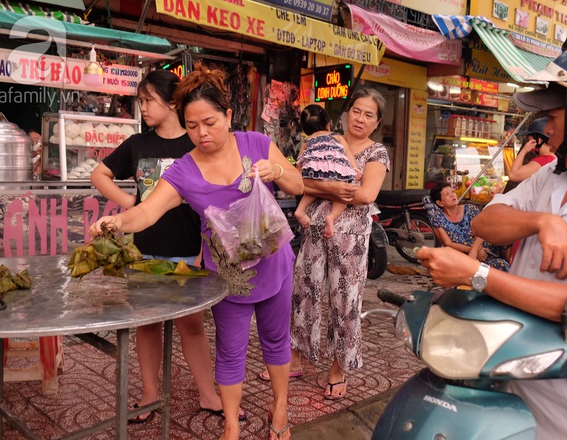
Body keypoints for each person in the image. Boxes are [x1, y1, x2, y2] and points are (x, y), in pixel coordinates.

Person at [416, 42, 567, 439]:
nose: (546, 129)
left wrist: (476, 272)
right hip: (509, 389)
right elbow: (486, 221)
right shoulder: (553, 174)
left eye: (553, 116)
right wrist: (540, 221)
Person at [89, 63, 303, 440]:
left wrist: (276, 172)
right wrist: (117, 223)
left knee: (276, 339)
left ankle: (280, 408)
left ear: (228, 115)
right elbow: (147, 211)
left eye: (210, 122)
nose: (201, 133)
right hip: (228, 275)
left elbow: (298, 183)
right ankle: (232, 426)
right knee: (231, 350)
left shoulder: (256, 143)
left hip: (275, 263)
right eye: (192, 126)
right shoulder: (184, 170)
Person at [90, 70, 240, 424]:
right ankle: (149, 394)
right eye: (140, 101)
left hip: (188, 250)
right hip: (144, 251)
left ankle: (208, 393)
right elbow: (99, 174)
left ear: (173, 102)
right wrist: (129, 203)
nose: (142, 108)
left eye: (147, 100)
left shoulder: (194, 145)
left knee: (191, 326)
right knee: (146, 324)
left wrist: (206, 248)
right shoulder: (138, 145)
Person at [263, 88, 389, 400]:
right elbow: (299, 179)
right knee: (303, 293)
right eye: (356, 111)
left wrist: (322, 185)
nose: (360, 118)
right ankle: (295, 359)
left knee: (344, 301)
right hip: (314, 231)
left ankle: (338, 368)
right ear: (346, 114)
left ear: (377, 122)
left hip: (352, 239)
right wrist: (334, 185)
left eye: (368, 114)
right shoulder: (325, 140)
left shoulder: (377, 153)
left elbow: (366, 194)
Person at [295, 104, 360, 237]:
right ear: (328, 123)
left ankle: (300, 210)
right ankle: (331, 217)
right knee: (343, 195)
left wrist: (299, 174)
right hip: (336, 173)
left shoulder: (307, 141)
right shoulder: (337, 137)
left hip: (315, 173)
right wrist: (355, 169)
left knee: (313, 190)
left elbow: (300, 160)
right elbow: (348, 152)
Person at [427, 181, 509, 271]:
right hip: (462, 256)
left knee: (507, 236)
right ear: (440, 203)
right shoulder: (437, 217)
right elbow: (448, 243)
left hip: (484, 248)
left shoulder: (470, 209)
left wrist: (475, 249)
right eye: (447, 194)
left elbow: (482, 231)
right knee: (498, 266)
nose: (452, 195)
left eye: (453, 192)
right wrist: (474, 251)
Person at [505, 117, 555, 189]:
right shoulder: (552, 158)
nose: (528, 141)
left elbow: (513, 175)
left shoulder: (544, 160)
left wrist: (523, 151)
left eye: (529, 139)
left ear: (539, 140)